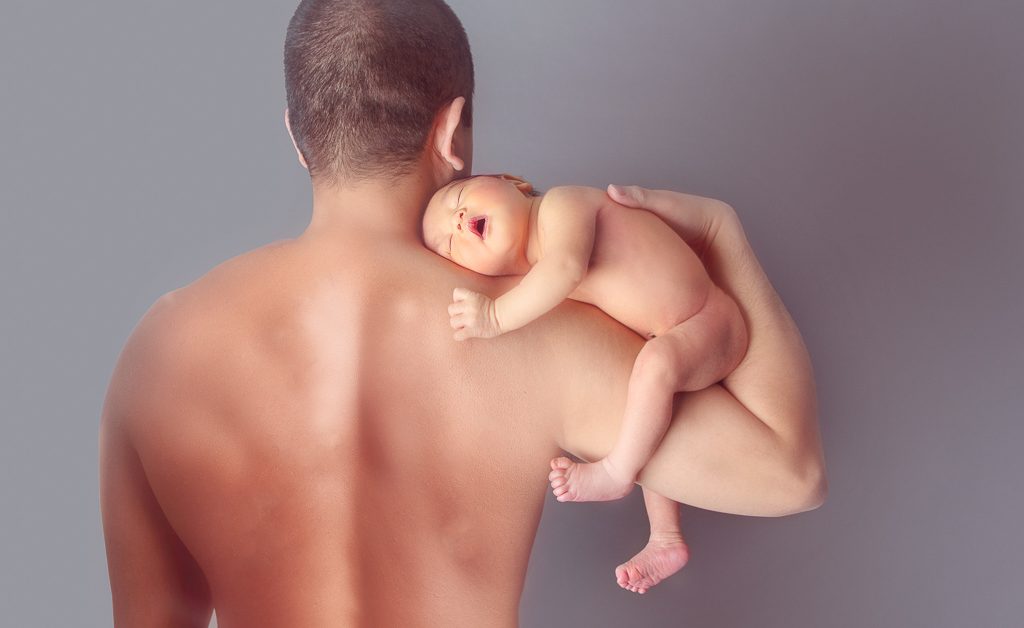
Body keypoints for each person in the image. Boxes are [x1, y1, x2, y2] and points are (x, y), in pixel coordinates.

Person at [99, 0, 827, 625]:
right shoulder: (532, 325)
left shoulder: (160, 349)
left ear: (299, 137)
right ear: (452, 134)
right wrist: (724, 235)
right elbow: (792, 475)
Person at [420, 172, 750, 592]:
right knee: (642, 410)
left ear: (514, 183)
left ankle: (616, 473)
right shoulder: (533, 278)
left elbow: (567, 267)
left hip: (710, 320)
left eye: (458, 198)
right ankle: (665, 537)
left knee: (653, 367)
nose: (459, 219)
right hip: (674, 334)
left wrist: (495, 317)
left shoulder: (561, 205)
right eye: (451, 244)